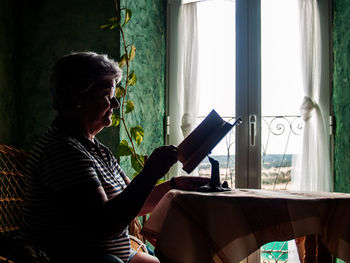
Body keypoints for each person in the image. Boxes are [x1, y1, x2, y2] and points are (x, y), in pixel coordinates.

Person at [19, 52, 209, 263]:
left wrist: (175, 185)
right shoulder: (62, 151)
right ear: (77, 97)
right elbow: (103, 225)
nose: (116, 104)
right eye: (108, 96)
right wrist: (151, 172)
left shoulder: (95, 148)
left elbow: (135, 202)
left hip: (112, 256)